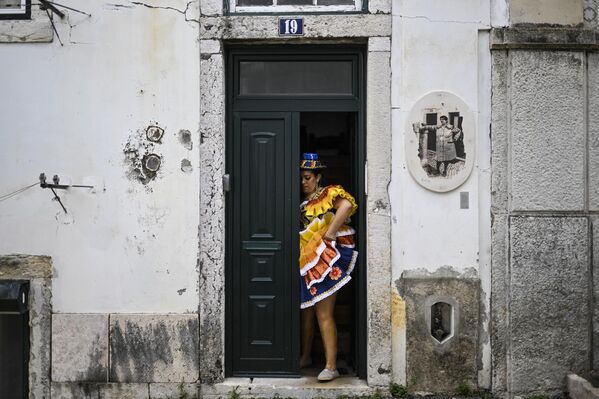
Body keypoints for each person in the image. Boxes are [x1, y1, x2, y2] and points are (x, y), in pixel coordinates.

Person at [298, 153, 358, 382]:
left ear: (318, 177)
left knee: (324, 312)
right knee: (307, 313)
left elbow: (346, 206)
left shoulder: (327, 194)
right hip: (307, 261)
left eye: (307, 177)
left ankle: (331, 366)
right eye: (302, 178)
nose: (304, 182)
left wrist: (330, 233)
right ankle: (305, 357)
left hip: (326, 259)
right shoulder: (304, 203)